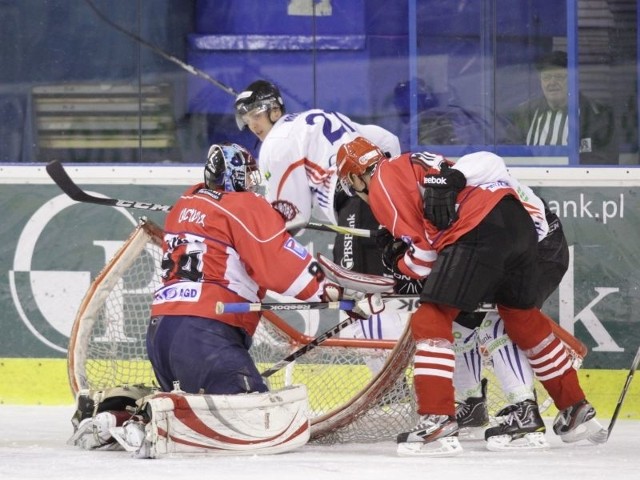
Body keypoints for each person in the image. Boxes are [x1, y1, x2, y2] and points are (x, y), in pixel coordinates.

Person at [68, 142, 390, 452]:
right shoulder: (245, 206)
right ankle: (151, 423)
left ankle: (118, 416)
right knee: (258, 417)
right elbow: (280, 266)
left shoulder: (185, 204)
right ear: (236, 176)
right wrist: (337, 293)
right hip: (206, 336)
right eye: (248, 176)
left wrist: (269, 221)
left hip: (161, 336)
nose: (253, 185)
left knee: (203, 405)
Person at [336, 136, 607, 456]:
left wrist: (399, 265)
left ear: (354, 177)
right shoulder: (418, 162)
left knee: (433, 317)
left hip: (489, 232)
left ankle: (438, 420)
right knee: (519, 317)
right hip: (520, 228)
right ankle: (574, 408)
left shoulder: (381, 184)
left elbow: (423, 258)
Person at [233, 79, 408, 341]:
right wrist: (383, 190)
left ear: (275, 110)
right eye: (247, 119)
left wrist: (257, 241)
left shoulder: (276, 142)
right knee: (397, 298)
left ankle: (395, 383)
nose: (252, 125)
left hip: (356, 204)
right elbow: (388, 141)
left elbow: (292, 215)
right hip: (396, 199)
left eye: (256, 115)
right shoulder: (317, 117)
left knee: (364, 306)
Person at [506, 50, 618, 164]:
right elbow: (510, 153)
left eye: (559, 76)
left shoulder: (597, 115)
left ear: (573, 79)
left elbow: (604, 161)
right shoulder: (524, 113)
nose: (552, 82)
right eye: (546, 77)